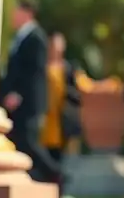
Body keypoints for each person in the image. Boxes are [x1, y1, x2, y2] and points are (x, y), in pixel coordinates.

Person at [1, 0, 62, 186]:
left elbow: (34, 71)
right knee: (20, 142)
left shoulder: (36, 37)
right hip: (17, 105)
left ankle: (56, 174)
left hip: (28, 103)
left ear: (27, 12)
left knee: (29, 141)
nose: (13, 15)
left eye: (17, 11)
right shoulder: (20, 37)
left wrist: (18, 93)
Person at [42, 33, 82, 196]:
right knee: (43, 157)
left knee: (58, 157)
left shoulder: (68, 68)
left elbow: (79, 90)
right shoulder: (42, 66)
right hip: (44, 120)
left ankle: (59, 190)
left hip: (61, 121)